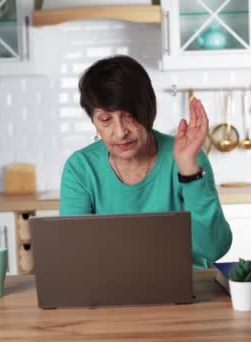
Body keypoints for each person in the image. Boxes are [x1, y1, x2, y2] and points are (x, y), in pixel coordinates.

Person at [59, 55, 232, 268]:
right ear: (94, 121)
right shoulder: (80, 168)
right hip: (109, 292)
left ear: (147, 109)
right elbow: (74, 256)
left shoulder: (185, 156)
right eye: (105, 120)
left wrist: (188, 170)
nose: (120, 132)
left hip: (187, 289)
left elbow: (214, 248)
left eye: (129, 115)